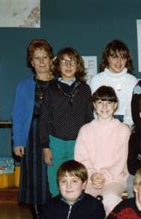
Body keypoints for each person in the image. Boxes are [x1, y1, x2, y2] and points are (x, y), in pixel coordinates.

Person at [39, 47, 93, 197]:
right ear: (58, 66)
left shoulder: (85, 89)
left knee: (77, 178)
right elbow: (43, 118)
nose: (68, 66)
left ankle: (76, 212)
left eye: (72, 62)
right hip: (55, 142)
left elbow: (89, 117)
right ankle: (58, 213)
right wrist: (45, 147)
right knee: (56, 179)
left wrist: (90, 142)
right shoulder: (51, 89)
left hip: (78, 142)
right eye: (64, 62)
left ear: (78, 65)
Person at [12, 39, 53, 219]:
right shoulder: (24, 86)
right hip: (31, 135)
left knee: (51, 179)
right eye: (37, 58)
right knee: (35, 181)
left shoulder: (60, 83)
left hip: (55, 136)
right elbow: (18, 114)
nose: (42, 62)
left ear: (51, 59)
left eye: (45, 57)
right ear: (31, 62)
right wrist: (17, 140)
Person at [74, 86, 131, 215]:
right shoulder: (85, 129)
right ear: (94, 104)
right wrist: (93, 174)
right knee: (86, 202)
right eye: (100, 102)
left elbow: (121, 161)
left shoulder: (123, 130)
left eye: (109, 102)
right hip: (90, 179)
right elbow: (81, 158)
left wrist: (105, 175)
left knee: (110, 199)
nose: (104, 107)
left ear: (115, 105)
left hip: (115, 179)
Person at [90, 39, 137, 126]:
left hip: (125, 122)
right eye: (114, 57)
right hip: (101, 121)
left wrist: (126, 126)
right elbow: (94, 108)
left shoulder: (132, 81)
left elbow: (132, 109)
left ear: (127, 60)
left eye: (122, 57)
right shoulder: (96, 80)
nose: (119, 62)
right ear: (107, 58)